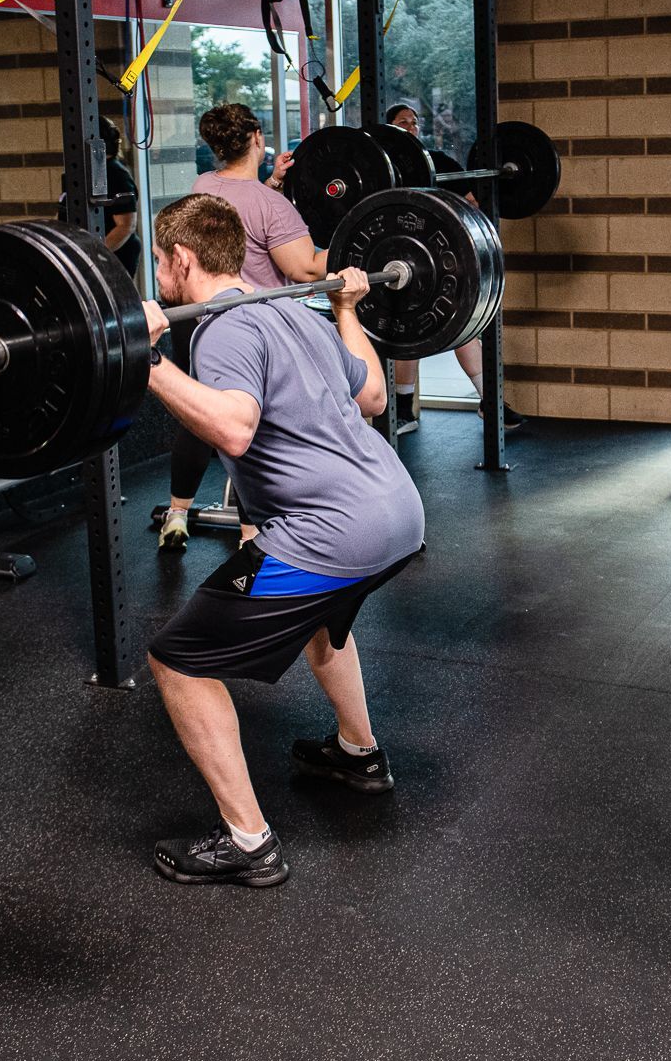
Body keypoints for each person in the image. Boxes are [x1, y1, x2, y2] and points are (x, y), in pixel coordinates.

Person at [142, 192, 424, 887]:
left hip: (331, 532)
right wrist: (348, 310)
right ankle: (357, 754)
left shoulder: (224, 329)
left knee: (178, 660)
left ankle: (248, 842)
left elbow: (233, 427)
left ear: (182, 258)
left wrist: (143, 359)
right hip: (398, 512)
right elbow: (374, 398)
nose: (158, 275)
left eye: (158, 260)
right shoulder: (288, 310)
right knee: (324, 622)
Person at [157, 102, 327, 552]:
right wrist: (359, 235)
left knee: (199, 417)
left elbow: (241, 208)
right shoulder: (271, 206)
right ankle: (253, 534)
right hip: (250, 326)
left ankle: (176, 514)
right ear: (256, 138)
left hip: (196, 320)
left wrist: (271, 179)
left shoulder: (204, 188)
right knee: (256, 424)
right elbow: (307, 269)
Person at [384, 102, 525, 436]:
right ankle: (404, 411)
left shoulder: (439, 161)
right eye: (403, 122)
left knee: (462, 327)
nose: (411, 127)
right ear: (389, 128)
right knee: (408, 334)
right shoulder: (384, 168)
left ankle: (488, 402)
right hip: (402, 263)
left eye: (415, 122)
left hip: (443, 261)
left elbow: (471, 200)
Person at [59, 116, 139, 275]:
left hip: (109, 257)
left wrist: (94, 255)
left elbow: (126, 226)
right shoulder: (78, 174)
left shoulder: (116, 173)